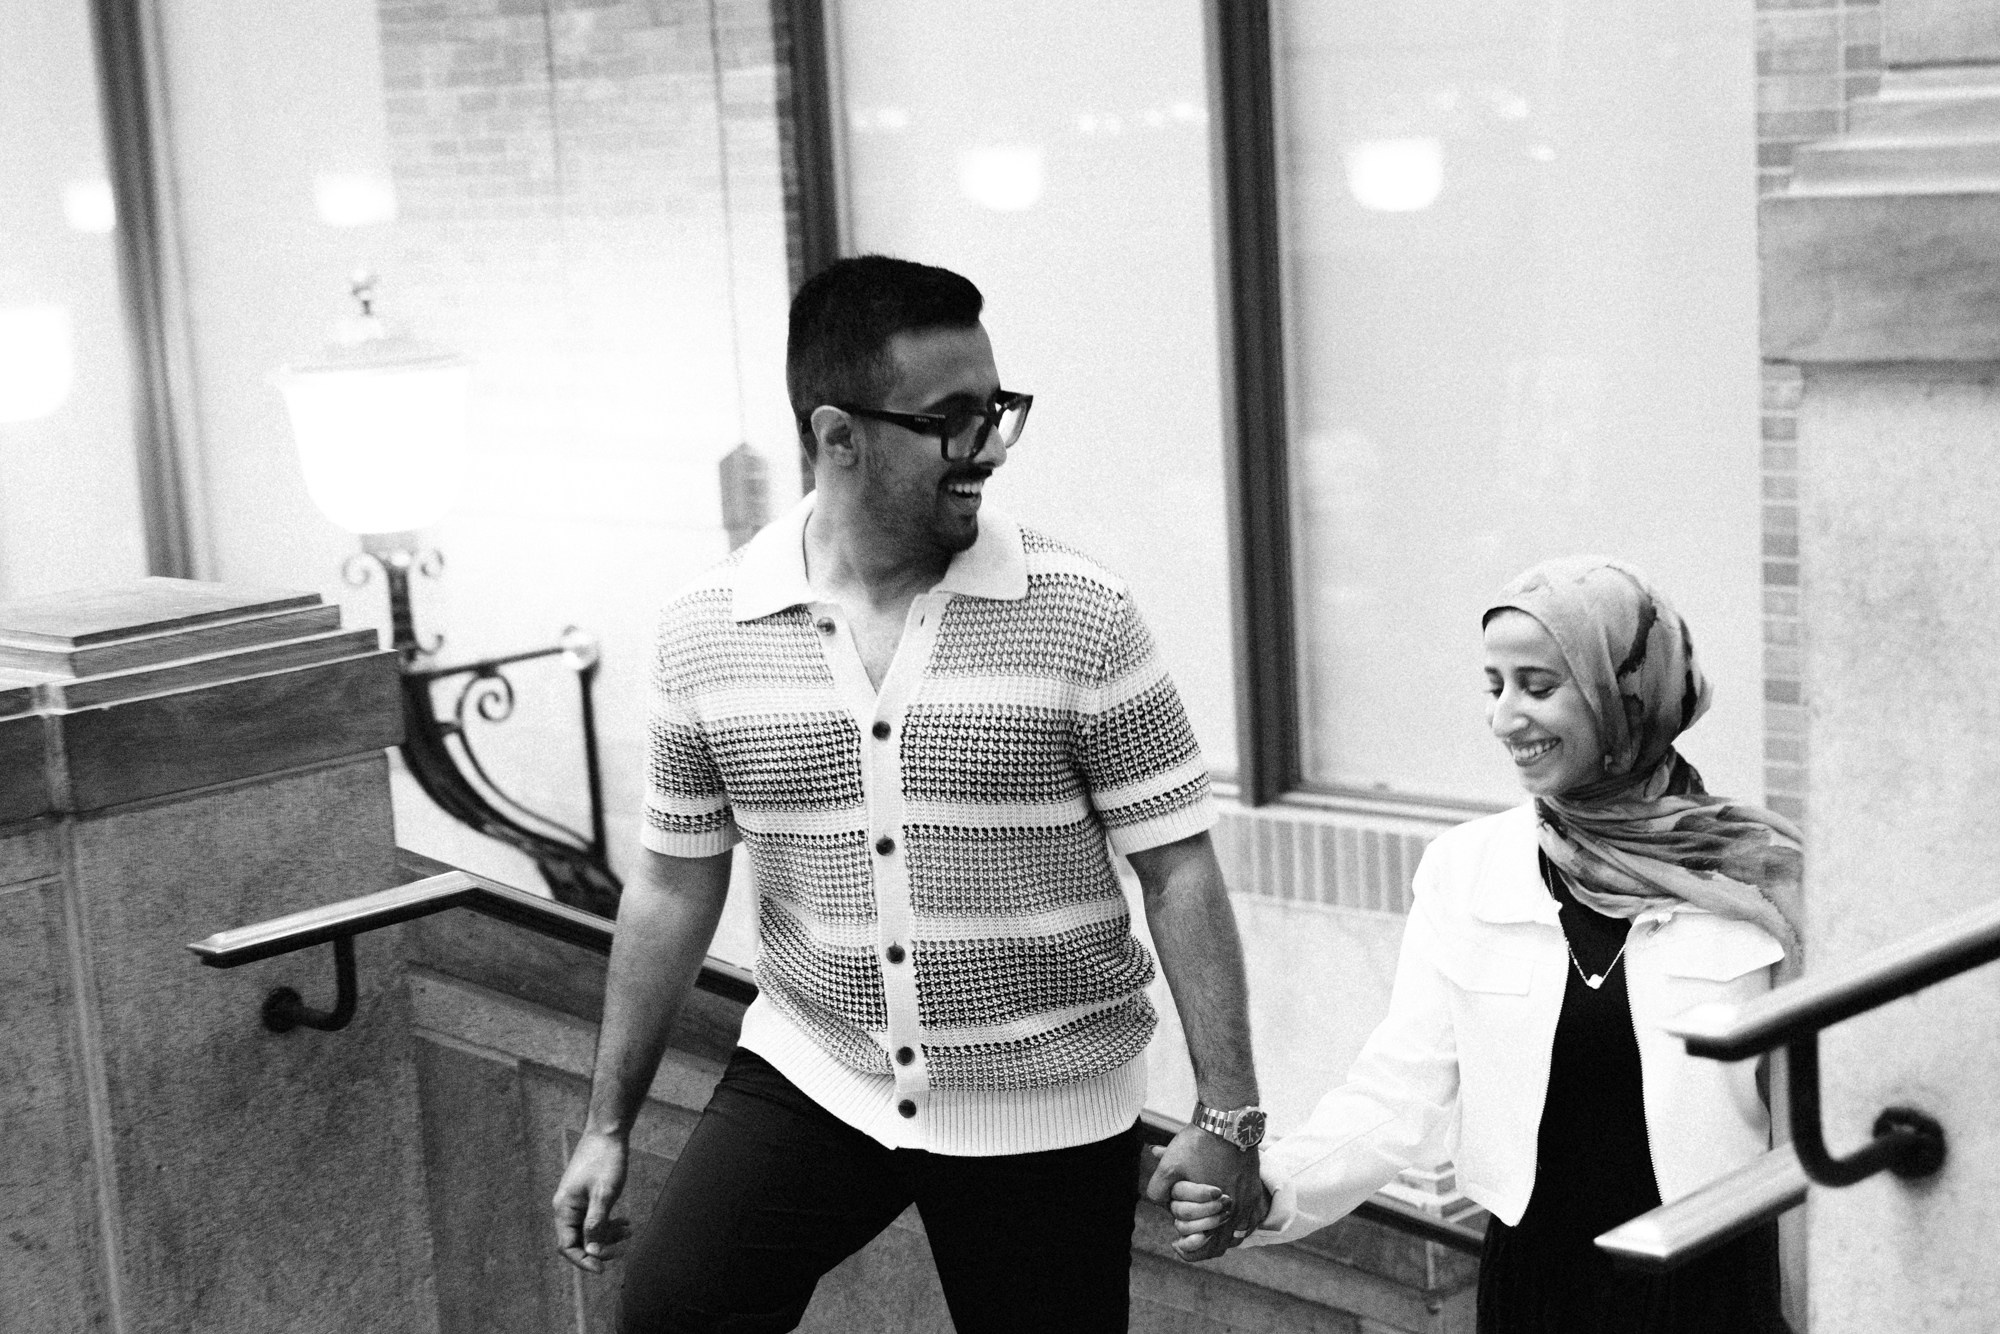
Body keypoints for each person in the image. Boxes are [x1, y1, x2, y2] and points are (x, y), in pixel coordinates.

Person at [550, 254, 1266, 1333]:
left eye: (995, 410)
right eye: (951, 418)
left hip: (1045, 1095)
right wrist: (607, 1121)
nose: (986, 447)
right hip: (815, 1068)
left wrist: (1230, 1115)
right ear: (838, 435)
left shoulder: (1081, 612)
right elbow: (669, 884)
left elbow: (1175, 867)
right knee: (671, 1313)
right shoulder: (704, 630)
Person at [1169, 556, 1801, 1333]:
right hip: (1539, 1288)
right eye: (1495, 687)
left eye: (1539, 686)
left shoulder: (1755, 879)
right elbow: (1398, 1090)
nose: (1506, 719)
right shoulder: (1468, 870)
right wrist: (1274, 1185)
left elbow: (1814, 1124)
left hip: (1711, 1287)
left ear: (1627, 691)